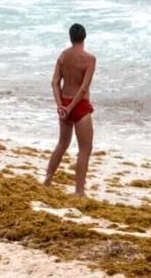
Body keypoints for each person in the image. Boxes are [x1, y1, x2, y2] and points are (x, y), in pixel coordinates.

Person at [42, 23, 96, 195]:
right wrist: (72, 107)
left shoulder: (63, 56)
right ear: (84, 37)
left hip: (64, 103)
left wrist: (61, 106)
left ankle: (47, 180)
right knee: (85, 150)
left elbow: (55, 83)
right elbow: (83, 88)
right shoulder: (89, 59)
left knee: (62, 144)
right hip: (79, 106)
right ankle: (79, 191)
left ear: (70, 38)